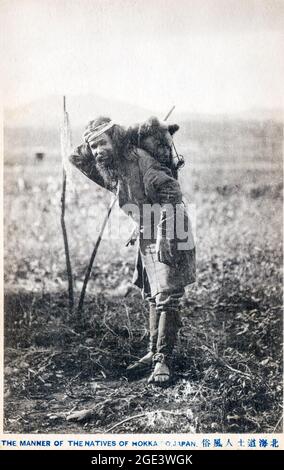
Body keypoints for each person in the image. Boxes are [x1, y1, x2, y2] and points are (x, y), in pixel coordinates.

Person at [69, 116, 196, 385]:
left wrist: (165, 235)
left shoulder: (140, 161)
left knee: (167, 297)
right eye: (93, 147)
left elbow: (172, 193)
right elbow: (77, 158)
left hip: (171, 227)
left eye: (102, 143)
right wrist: (93, 142)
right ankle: (153, 352)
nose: (97, 152)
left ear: (115, 138)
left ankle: (163, 360)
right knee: (152, 294)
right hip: (149, 228)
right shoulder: (113, 169)